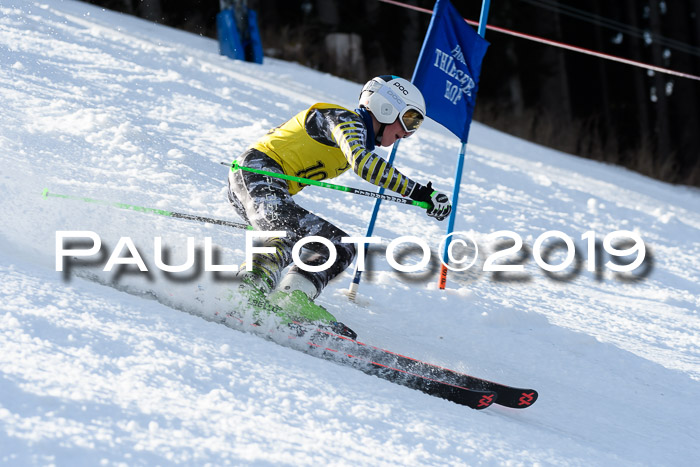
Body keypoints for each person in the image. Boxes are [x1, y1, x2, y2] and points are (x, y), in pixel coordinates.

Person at [227, 75, 451, 329]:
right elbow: (364, 164)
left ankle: (291, 299)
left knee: (338, 245)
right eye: (410, 119)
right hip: (255, 174)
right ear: (386, 107)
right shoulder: (342, 119)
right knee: (284, 230)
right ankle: (245, 291)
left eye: (416, 125)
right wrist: (420, 193)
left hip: (270, 190)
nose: (408, 132)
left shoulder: (356, 136)